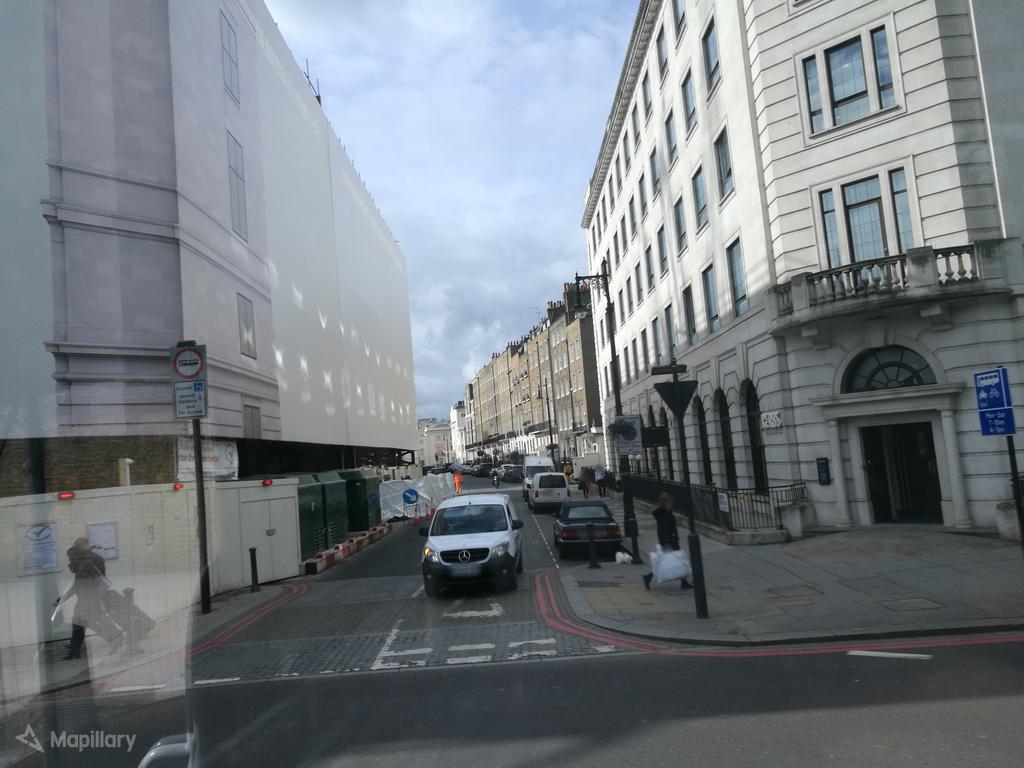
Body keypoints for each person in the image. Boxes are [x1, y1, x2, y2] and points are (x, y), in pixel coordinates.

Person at [57, 537, 123, 659]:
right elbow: (81, 583)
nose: (71, 559)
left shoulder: (86, 562)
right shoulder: (89, 559)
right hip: (88, 598)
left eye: (76, 549)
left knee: (91, 622)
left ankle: (116, 638)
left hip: (89, 598)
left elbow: (79, 585)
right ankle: (75, 649)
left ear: (80, 548)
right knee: (84, 622)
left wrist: (61, 600)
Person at [643, 492, 692, 591]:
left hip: (670, 540)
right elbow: (664, 530)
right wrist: (667, 543)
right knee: (674, 560)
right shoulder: (665, 514)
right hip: (669, 541)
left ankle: (684, 582)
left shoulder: (665, 512)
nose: (672, 502)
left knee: (676, 560)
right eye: (670, 501)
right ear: (666, 502)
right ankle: (648, 577)